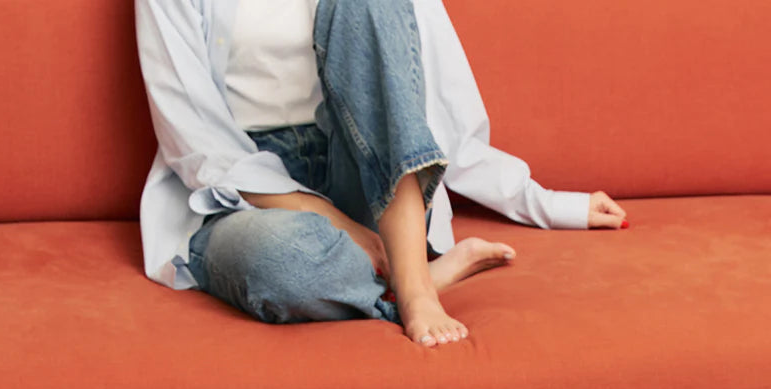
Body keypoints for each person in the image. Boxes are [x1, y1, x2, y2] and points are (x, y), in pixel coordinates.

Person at [136, 0, 627, 348]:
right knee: (284, 264)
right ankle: (419, 270)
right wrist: (331, 219)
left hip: (365, 170)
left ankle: (413, 289)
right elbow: (194, 140)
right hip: (244, 196)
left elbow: (425, 109)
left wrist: (543, 201)